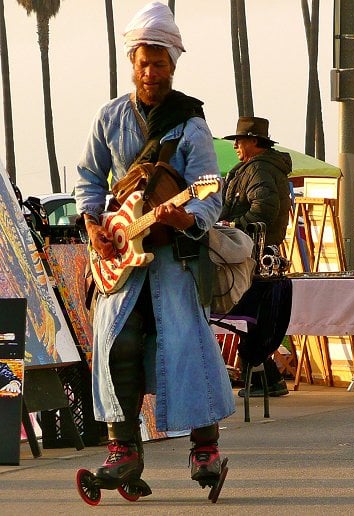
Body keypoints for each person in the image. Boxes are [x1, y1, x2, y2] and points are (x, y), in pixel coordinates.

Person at [74, 2, 234, 491]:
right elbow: (87, 178)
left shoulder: (191, 124)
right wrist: (92, 224)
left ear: (173, 65)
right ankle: (123, 451)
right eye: (142, 62)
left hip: (173, 260)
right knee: (115, 344)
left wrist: (187, 216)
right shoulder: (110, 119)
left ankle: (204, 450)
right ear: (132, 63)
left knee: (186, 346)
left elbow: (210, 187)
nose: (150, 71)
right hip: (121, 263)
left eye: (159, 63)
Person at [219, 116, 292, 398]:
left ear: (253, 141)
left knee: (246, 316)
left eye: (239, 140)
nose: (236, 145)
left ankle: (265, 378)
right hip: (256, 254)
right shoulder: (253, 169)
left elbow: (263, 210)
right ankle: (267, 379)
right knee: (252, 322)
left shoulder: (259, 170)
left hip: (252, 256)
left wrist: (231, 228)